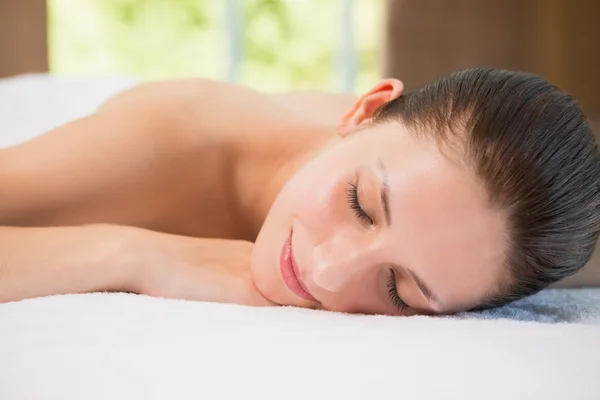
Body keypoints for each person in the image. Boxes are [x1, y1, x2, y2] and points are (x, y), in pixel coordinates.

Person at [1, 67, 599, 315]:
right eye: (360, 206)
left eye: (400, 290)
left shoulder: (487, 235)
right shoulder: (172, 138)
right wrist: (136, 254)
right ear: (365, 110)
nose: (329, 274)